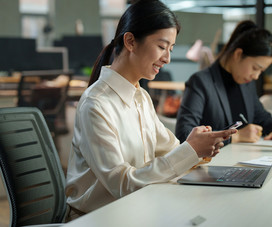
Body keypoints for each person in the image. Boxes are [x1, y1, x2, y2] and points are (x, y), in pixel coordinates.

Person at [65, 0, 236, 220]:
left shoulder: (141, 97)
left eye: (171, 49)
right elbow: (122, 185)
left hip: (139, 209)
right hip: (101, 218)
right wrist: (189, 151)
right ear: (131, 42)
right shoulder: (96, 104)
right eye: (162, 47)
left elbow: (170, 149)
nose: (167, 58)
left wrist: (198, 149)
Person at [176, 20, 272, 145]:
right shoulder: (201, 82)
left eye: (261, 71)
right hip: (215, 161)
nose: (256, 76)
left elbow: (261, 117)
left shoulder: (246, 83)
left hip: (246, 157)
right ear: (238, 54)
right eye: (255, 68)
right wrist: (235, 137)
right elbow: (184, 134)